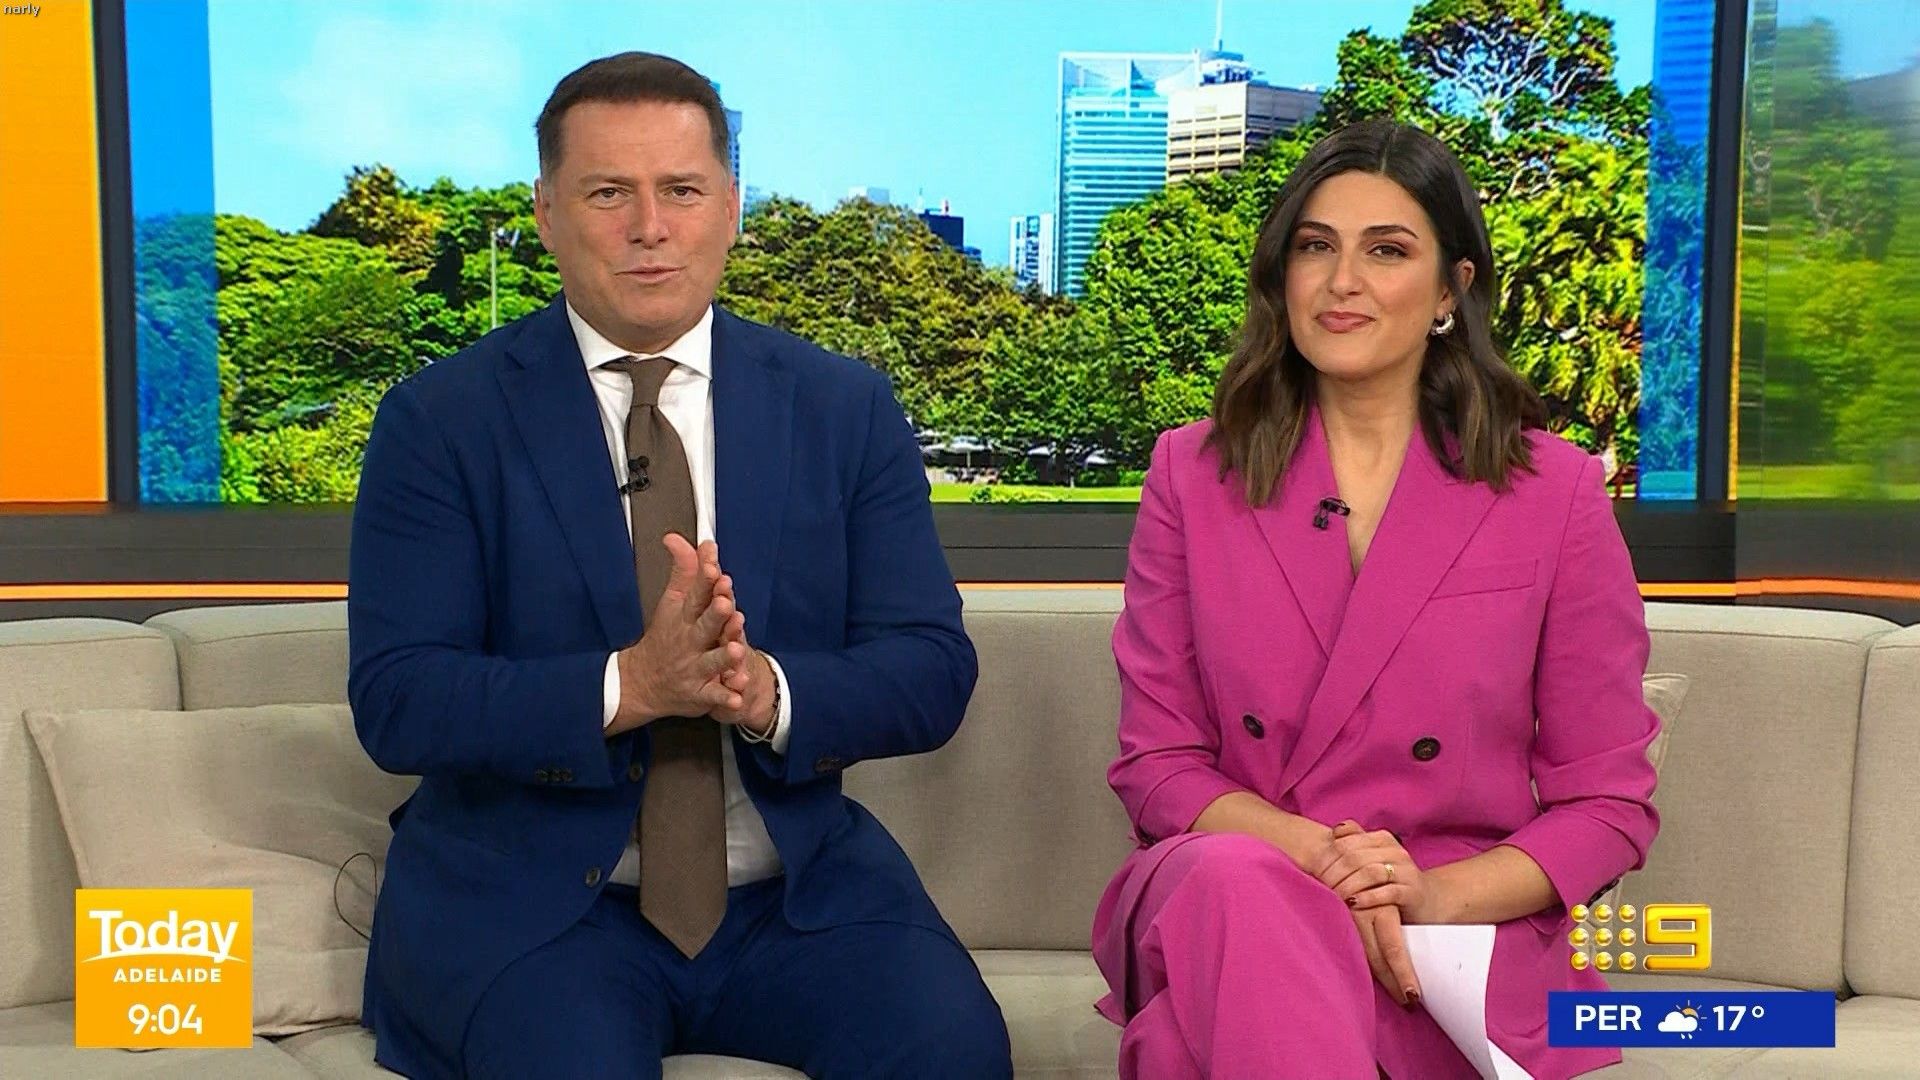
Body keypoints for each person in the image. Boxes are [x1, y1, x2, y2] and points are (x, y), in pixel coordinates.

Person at [347, 51, 1011, 1080]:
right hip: (536, 910)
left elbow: (930, 668)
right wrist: (631, 687)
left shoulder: (843, 409)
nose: (649, 226)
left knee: (950, 1049)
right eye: (608, 192)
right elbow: (400, 700)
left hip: (795, 901)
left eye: (683, 191)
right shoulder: (440, 422)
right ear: (547, 213)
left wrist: (768, 692)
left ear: (731, 209)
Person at [1089, 119, 1661, 1079]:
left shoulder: (1552, 493)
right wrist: (1326, 866)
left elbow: (1604, 806)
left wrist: (1423, 894)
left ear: (1450, 290)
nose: (1342, 281)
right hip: (1231, 876)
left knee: (1185, 1046)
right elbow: (1159, 766)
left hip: (1444, 927)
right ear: (1283, 276)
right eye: (1316, 247)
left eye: (1386, 250)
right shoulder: (1191, 473)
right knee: (1238, 884)